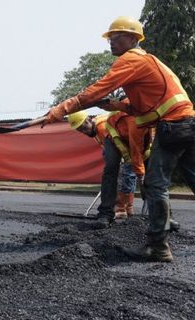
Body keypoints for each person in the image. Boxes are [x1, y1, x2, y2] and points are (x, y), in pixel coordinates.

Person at [43, 16, 194, 262]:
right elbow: (142, 110)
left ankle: (158, 248)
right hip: (188, 122)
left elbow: (96, 90)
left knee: (155, 185)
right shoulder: (148, 62)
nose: (111, 41)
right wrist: (117, 105)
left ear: (134, 39)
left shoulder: (131, 59)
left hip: (174, 126)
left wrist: (61, 109)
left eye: (117, 36)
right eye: (110, 37)